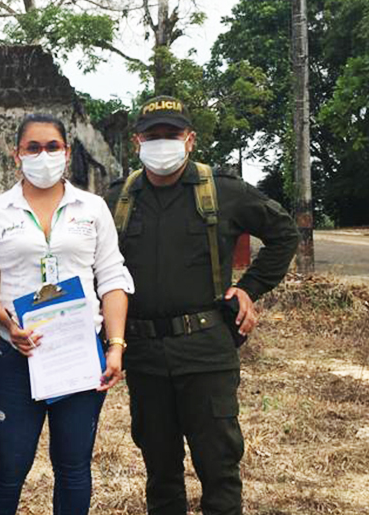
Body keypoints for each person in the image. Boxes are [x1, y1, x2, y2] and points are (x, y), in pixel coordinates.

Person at [105, 96, 299, 515]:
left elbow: (284, 233)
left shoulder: (223, 191)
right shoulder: (117, 199)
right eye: (152, 135)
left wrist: (249, 288)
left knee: (219, 468)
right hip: (144, 354)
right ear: (137, 142)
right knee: (160, 472)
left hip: (206, 351)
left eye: (171, 134)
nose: (162, 142)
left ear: (190, 139)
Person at [0, 114, 133, 515]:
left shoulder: (92, 208)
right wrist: (8, 324)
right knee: (8, 467)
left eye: (52, 147)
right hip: (18, 355)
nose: (44, 155)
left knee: (73, 467)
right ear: (17, 155)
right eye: (33, 148)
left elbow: (112, 278)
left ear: (67, 152)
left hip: (79, 355)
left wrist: (115, 346)